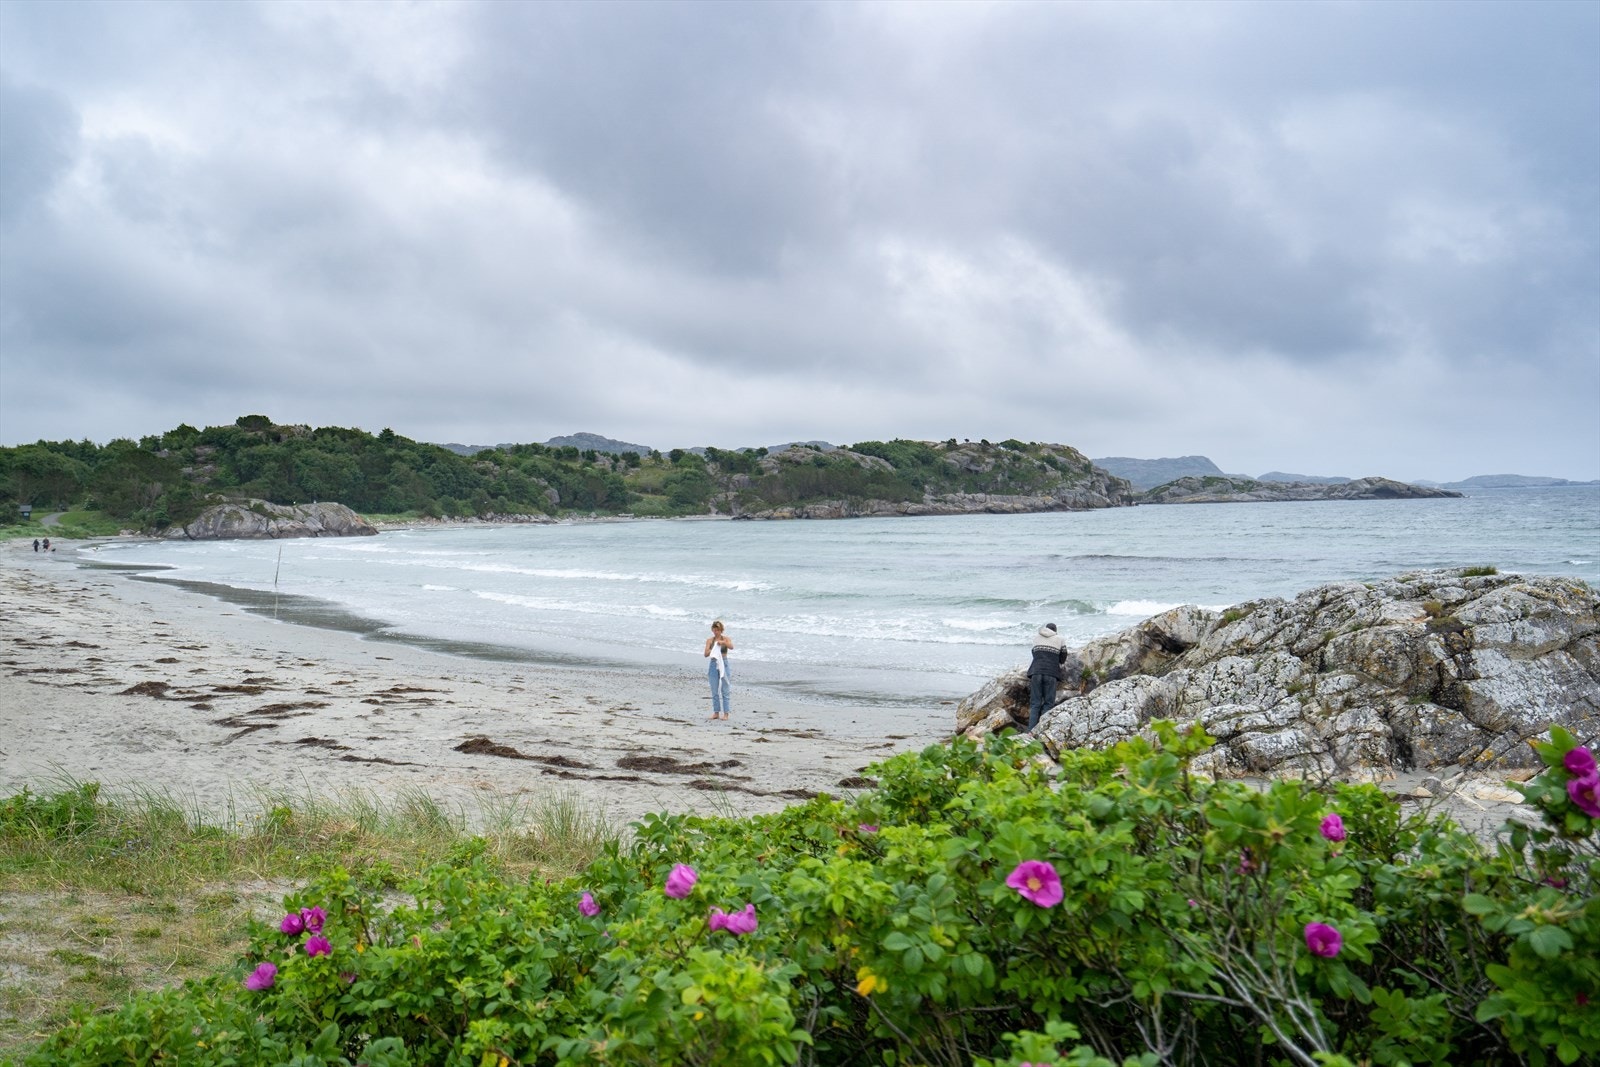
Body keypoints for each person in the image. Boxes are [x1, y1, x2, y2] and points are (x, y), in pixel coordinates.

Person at [1027, 622, 1069, 732]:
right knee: (1048, 703)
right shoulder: (1060, 639)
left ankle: (1030, 731)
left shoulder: (1036, 638)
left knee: (1035, 703)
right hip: (1051, 673)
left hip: (1035, 672)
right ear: (1055, 630)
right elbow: (1063, 657)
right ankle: (1041, 731)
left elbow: (1034, 653)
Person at [704, 619, 734, 720]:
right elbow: (705, 654)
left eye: (718, 630)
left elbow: (731, 647)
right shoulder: (710, 640)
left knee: (725, 689)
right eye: (715, 629)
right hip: (713, 663)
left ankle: (726, 713)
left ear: (721, 630)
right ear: (712, 630)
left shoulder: (726, 639)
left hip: (724, 663)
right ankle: (716, 712)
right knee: (714, 689)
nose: (716, 631)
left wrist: (723, 643)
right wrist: (713, 649)